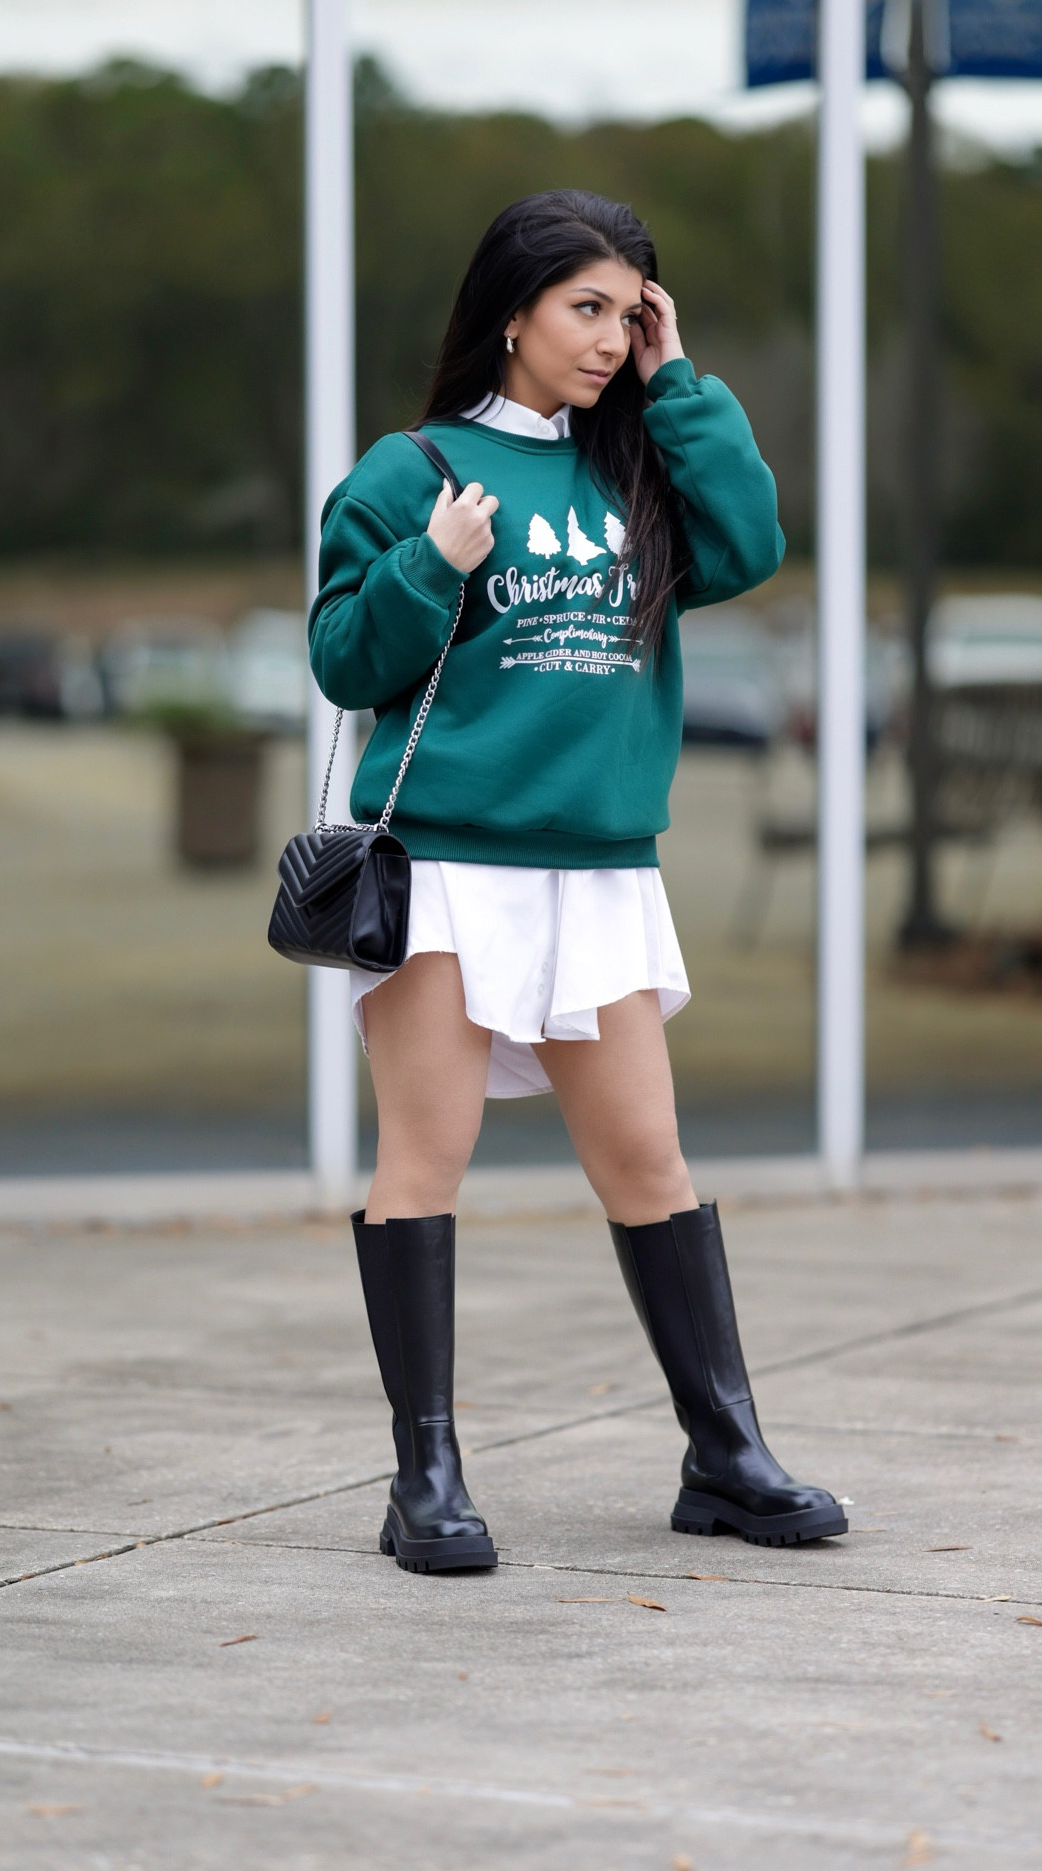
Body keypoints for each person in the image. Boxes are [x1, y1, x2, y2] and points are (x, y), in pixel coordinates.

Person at [310, 189, 846, 1574]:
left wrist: (684, 382)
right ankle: (423, 1477)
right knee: (426, 1160)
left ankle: (723, 1454)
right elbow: (342, 662)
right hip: (445, 870)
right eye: (585, 310)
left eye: (629, 312)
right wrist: (433, 564)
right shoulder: (408, 471)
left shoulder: (637, 466)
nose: (609, 339)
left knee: (648, 1163)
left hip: (599, 872)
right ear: (513, 313)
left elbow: (748, 547)